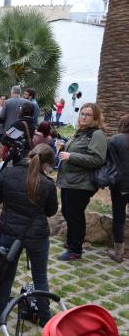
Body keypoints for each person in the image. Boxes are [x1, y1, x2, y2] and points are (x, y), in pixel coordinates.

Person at [0, 144, 58, 326]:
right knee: (40, 276)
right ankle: (45, 318)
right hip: (37, 235)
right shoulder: (48, 184)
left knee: (7, 274)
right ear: (48, 164)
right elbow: (51, 211)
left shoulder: (8, 173)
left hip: (10, 232)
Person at [57, 103, 107, 261]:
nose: (83, 117)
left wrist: (71, 156)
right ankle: (71, 243)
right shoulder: (81, 132)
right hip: (70, 181)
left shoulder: (97, 134)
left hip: (81, 184)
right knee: (67, 212)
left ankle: (75, 250)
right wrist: (64, 146)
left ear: (95, 118)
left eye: (88, 115)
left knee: (75, 215)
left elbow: (97, 159)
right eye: (82, 114)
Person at [107, 114, 129, 263]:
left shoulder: (116, 139)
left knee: (119, 217)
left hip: (120, 185)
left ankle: (119, 253)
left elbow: (109, 163)